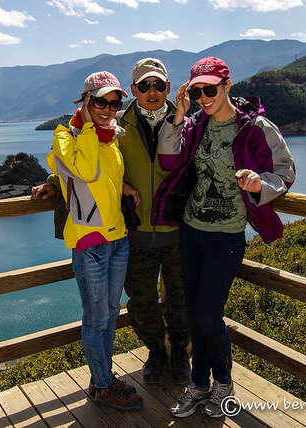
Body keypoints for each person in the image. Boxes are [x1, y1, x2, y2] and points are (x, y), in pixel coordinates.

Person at [156, 56, 295, 418]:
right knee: (192, 313)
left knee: (208, 316)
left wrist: (258, 184)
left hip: (226, 236)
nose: (204, 97)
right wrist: (177, 115)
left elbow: (285, 171)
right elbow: (169, 162)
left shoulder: (255, 127)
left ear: (227, 84)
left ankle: (224, 385)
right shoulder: (195, 123)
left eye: (210, 89)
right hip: (191, 231)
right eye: (197, 90)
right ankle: (199, 385)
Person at [43, 71, 143, 411]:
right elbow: (84, 171)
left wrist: (125, 187)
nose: (108, 109)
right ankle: (103, 385)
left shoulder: (111, 137)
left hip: (118, 239)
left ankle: (101, 375)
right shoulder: (64, 136)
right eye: (100, 101)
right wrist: (86, 124)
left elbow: (106, 180)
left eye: (114, 103)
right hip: (90, 245)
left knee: (112, 313)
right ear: (85, 100)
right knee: (96, 318)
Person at [115, 58, 191, 385]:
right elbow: (86, 161)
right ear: (133, 89)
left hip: (178, 233)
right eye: (144, 85)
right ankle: (156, 349)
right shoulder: (117, 125)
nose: (152, 91)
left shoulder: (187, 123)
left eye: (159, 84)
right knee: (142, 301)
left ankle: (178, 351)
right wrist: (51, 180)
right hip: (137, 233)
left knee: (182, 298)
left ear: (168, 88)